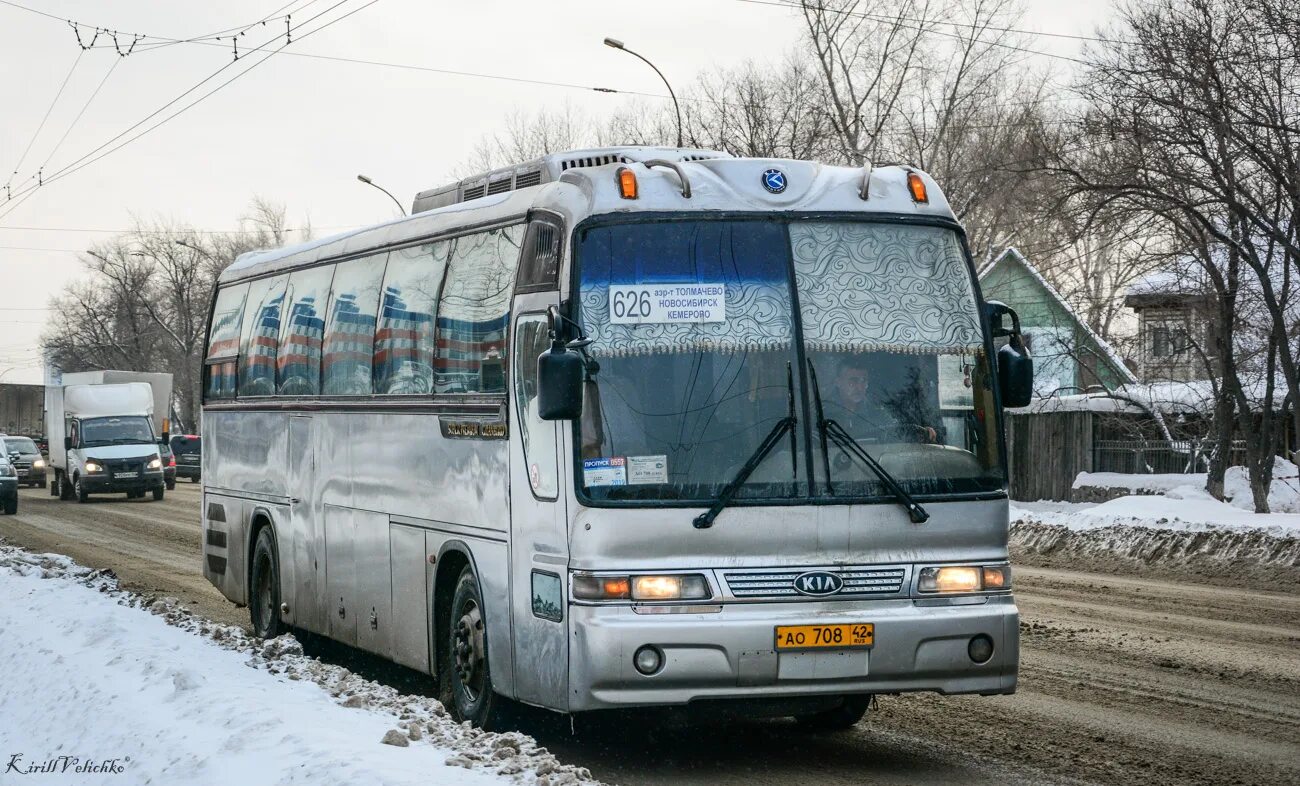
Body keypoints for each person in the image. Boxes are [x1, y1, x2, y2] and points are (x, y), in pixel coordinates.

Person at [825, 357, 938, 443]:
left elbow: (896, 432)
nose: (860, 387)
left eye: (864, 381)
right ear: (838, 382)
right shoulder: (823, 412)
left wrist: (918, 433)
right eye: (853, 381)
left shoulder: (875, 411)